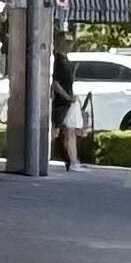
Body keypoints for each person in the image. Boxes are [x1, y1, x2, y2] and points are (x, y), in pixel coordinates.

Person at [51, 29, 82, 169]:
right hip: (63, 101)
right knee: (68, 131)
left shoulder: (63, 60)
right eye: (67, 42)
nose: (69, 45)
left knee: (68, 131)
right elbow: (56, 83)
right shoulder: (58, 61)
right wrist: (68, 96)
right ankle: (72, 160)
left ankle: (72, 160)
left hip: (66, 100)